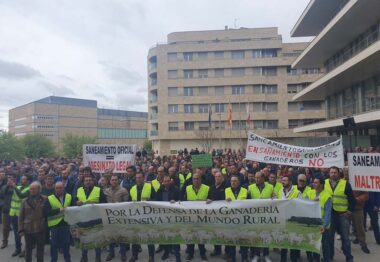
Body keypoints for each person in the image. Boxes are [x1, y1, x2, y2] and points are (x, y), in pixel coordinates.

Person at [325, 166, 355, 262]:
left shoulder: (345, 184)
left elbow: (352, 200)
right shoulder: (324, 183)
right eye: (331, 172)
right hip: (330, 215)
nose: (333, 174)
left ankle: (349, 257)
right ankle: (330, 256)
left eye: (335, 172)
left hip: (343, 215)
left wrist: (349, 211)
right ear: (329, 173)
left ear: (338, 173)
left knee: (345, 238)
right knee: (330, 237)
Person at [76, 172, 107, 262]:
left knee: (96, 240)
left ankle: (98, 258)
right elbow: (74, 201)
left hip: (95, 219)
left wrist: (96, 205)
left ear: (93, 181)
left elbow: (104, 203)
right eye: (86, 180)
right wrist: (76, 203)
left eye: (90, 180)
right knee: (84, 239)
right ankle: (84, 256)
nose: (88, 182)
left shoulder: (98, 190)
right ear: (83, 182)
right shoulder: (79, 190)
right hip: (83, 219)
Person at [129, 172, 155, 262]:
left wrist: (149, 201)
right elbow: (129, 202)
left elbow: (156, 199)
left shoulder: (149, 186)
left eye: (140, 177)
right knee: (135, 237)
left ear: (144, 178)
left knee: (149, 237)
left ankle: (151, 256)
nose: (138, 179)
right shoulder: (132, 189)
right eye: (137, 178)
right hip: (136, 216)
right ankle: (134, 255)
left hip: (148, 216)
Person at [183, 172, 210, 262]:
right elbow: (182, 199)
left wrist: (211, 200)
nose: (196, 180)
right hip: (190, 216)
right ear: (192, 180)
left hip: (202, 217)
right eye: (194, 179)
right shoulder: (187, 188)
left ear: (201, 179)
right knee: (191, 236)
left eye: (197, 178)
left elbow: (212, 199)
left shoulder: (207, 188)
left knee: (200, 236)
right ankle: (190, 254)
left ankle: (202, 254)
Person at [18, 181, 47, 262]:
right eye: (31, 189)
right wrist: (20, 230)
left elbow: (47, 213)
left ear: (39, 189)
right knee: (28, 250)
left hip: (40, 229)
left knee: (40, 250)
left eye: (34, 189)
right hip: (28, 229)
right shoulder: (24, 201)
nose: (32, 190)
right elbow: (20, 217)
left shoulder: (45, 199)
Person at [249, 171, 274, 262]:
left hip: (266, 216)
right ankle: (256, 255)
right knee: (256, 236)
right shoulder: (250, 187)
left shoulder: (270, 187)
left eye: (258, 178)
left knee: (265, 235)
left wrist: (272, 199)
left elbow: (275, 198)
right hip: (255, 216)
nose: (256, 179)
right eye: (255, 177)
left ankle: (266, 254)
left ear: (263, 178)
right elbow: (247, 201)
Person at [45, 181, 72, 262]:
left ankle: (67, 260)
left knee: (66, 245)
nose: (58, 190)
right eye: (57, 188)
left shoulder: (69, 196)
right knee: (54, 245)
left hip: (65, 224)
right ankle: (53, 260)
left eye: (60, 188)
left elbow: (73, 208)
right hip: (54, 226)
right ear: (55, 189)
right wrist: (58, 210)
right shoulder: (50, 198)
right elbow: (46, 212)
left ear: (63, 188)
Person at [156, 175, 181, 262]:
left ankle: (178, 256)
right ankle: (166, 252)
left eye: (168, 181)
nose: (166, 183)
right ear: (163, 182)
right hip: (163, 217)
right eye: (165, 181)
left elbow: (181, 201)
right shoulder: (160, 190)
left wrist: (176, 202)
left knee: (175, 236)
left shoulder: (176, 189)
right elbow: (156, 201)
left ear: (171, 181)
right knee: (165, 236)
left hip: (174, 217)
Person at [104, 174, 129, 262]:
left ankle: (123, 254)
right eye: (112, 180)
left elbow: (126, 205)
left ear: (118, 180)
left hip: (120, 217)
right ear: (110, 181)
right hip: (109, 217)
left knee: (121, 236)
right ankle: (111, 253)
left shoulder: (124, 191)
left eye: (115, 180)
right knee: (111, 237)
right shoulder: (106, 191)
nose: (114, 181)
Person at [306, 176, 332, 262]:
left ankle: (327, 260)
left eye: (316, 182)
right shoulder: (310, 193)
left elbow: (328, 213)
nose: (314, 184)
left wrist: (324, 226)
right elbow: (304, 204)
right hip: (312, 225)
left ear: (321, 185)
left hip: (323, 226)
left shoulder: (327, 196)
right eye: (313, 182)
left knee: (325, 246)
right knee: (313, 245)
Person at [224, 175, 248, 262]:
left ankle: (244, 258)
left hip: (242, 219)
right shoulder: (226, 190)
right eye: (231, 181)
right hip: (231, 219)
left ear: (239, 182)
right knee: (231, 240)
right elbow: (219, 202)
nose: (233, 182)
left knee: (243, 240)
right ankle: (232, 257)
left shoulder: (245, 191)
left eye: (235, 181)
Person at [278, 176, 300, 262]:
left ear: (290, 182)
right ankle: (283, 259)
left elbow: (300, 206)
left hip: (292, 220)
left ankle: (293, 259)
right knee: (284, 241)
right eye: (282, 180)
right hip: (283, 220)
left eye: (285, 180)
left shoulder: (297, 192)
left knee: (292, 241)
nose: (282, 182)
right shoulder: (280, 191)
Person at [9, 174, 30, 257]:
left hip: (23, 215)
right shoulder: (18, 187)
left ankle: (26, 249)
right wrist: (8, 186)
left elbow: (22, 195)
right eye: (21, 179)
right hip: (13, 213)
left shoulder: (29, 188)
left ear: (28, 181)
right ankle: (18, 249)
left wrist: (14, 186)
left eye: (24, 179)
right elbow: (4, 193)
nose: (22, 180)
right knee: (16, 233)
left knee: (26, 233)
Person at [207, 170, 226, 257]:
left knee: (225, 233)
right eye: (216, 176)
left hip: (224, 214)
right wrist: (208, 200)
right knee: (216, 232)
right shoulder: (211, 187)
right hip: (214, 214)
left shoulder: (226, 187)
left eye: (219, 176)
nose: (217, 178)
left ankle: (227, 252)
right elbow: (209, 198)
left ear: (222, 178)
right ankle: (217, 250)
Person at [0, 171, 13, 249]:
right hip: (6, 209)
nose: (10, 180)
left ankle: (21, 245)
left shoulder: (18, 186)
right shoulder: (4, 186)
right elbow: (3, 192)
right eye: (9, 179)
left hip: (17, 211)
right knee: (5, 227)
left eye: (12, 179)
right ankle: (5, 241)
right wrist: (8, 186)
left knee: (20, 228)